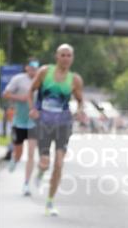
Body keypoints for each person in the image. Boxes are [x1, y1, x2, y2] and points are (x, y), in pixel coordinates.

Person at [27, 44, 85, 216]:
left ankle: (50, 202)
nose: (66, 58)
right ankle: (40, 173)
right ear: (56, 56)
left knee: (59, 163)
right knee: (45, 162)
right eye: (63, 55)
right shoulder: (45, 72)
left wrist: (79, 111)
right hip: (44, 123)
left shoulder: (75, 79)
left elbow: (81, 100)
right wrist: (33, 109)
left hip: (63, 124)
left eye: (69, 55)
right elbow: (31, 91)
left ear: (72, 58)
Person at [3, 59, 40, 194]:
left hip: (33, 123)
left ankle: (26, 184)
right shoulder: (18, 79)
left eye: (35, 68)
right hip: (19, 121)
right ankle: (15, 158)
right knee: (19, 152)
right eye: (30, 67)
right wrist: (21, 98)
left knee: (31, 154)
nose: (33, 70)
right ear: (26, 68)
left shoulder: (40, 81)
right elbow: (5, 94)